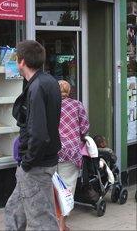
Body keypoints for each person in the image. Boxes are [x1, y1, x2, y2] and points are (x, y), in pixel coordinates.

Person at [5, 40, 62, 231]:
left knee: (41, 221)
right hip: (40, 163)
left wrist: (28, 162)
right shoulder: (49, 82)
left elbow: (38, 133)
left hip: (36, 166)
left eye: (16, 60)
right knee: (14, 211)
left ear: (21, 62)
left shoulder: (37, 87)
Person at [57, 80, 89, 231]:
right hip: (70, 151)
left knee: (51, 187)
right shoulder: (77, 105)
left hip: (51, 151)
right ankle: (62, 224)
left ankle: (52, 221)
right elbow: (84, 127)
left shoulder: (50, 105)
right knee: (67, 187)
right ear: (69, 91)